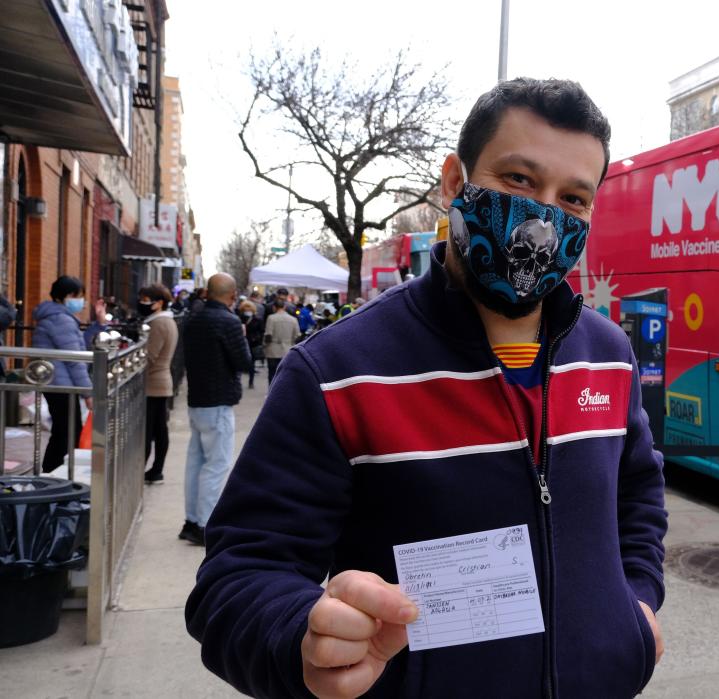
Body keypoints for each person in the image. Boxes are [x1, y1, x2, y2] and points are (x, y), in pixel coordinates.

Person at [187, 78, 667, 699]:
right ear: (453, 181)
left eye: (573, 197)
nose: (544, 215)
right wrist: (300, 637)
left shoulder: (609, 355)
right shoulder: (336, 371)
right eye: (518, 180)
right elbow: (239, 575)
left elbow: (638, 496)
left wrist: (635, 605)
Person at [179, 274, 251, 546]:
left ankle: (191, 520)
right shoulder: (228, 321)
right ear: (232, 295)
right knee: (216, 465)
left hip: (197, 399)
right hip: (218, 401)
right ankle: (205, 525)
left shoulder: (192, 318)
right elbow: (243, 362)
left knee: (196, 463)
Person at [31, 276, 105, 475]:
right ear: (68, 296)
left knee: (65, 432)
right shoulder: (60, 319)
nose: (81, 302)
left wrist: (99, 324)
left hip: (57, 383)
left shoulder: (59, 317)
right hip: (60, 385)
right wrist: (88, 393)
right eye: (79, 296)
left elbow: (78, 346)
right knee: (66, 433)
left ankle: (52, 475)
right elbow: (75, 360)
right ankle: (52, 476)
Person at [139, 284, 179, 484]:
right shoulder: (166, 321)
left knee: (150, 430)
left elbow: (150, 356)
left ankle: (151, 469)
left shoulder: (159, 323)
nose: (142, 303)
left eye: (146, 300)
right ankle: (156, 470)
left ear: (159, 302)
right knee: (159, 428)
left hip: (154, 382)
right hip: (160, 381)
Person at [262, 298, 299, 384]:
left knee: (272, 373)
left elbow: (268, 335)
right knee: (284, 374)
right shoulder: (293, 319)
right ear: (285, 307)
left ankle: (271, 393)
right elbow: (297, 336)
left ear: (274, 307)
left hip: (272, 350)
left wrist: (264, 346)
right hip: (287, 350)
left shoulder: (271, 318)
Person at [238, 300, 264, 389]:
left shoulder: (257, 319)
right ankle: (238, 382)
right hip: (241, 343)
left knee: (252, 364)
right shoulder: (239, 318)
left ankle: (251, 382)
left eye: (249, 308)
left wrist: (257, 339)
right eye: (245, 308)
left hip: (253, 343)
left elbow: (261, 331)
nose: (247, 310)